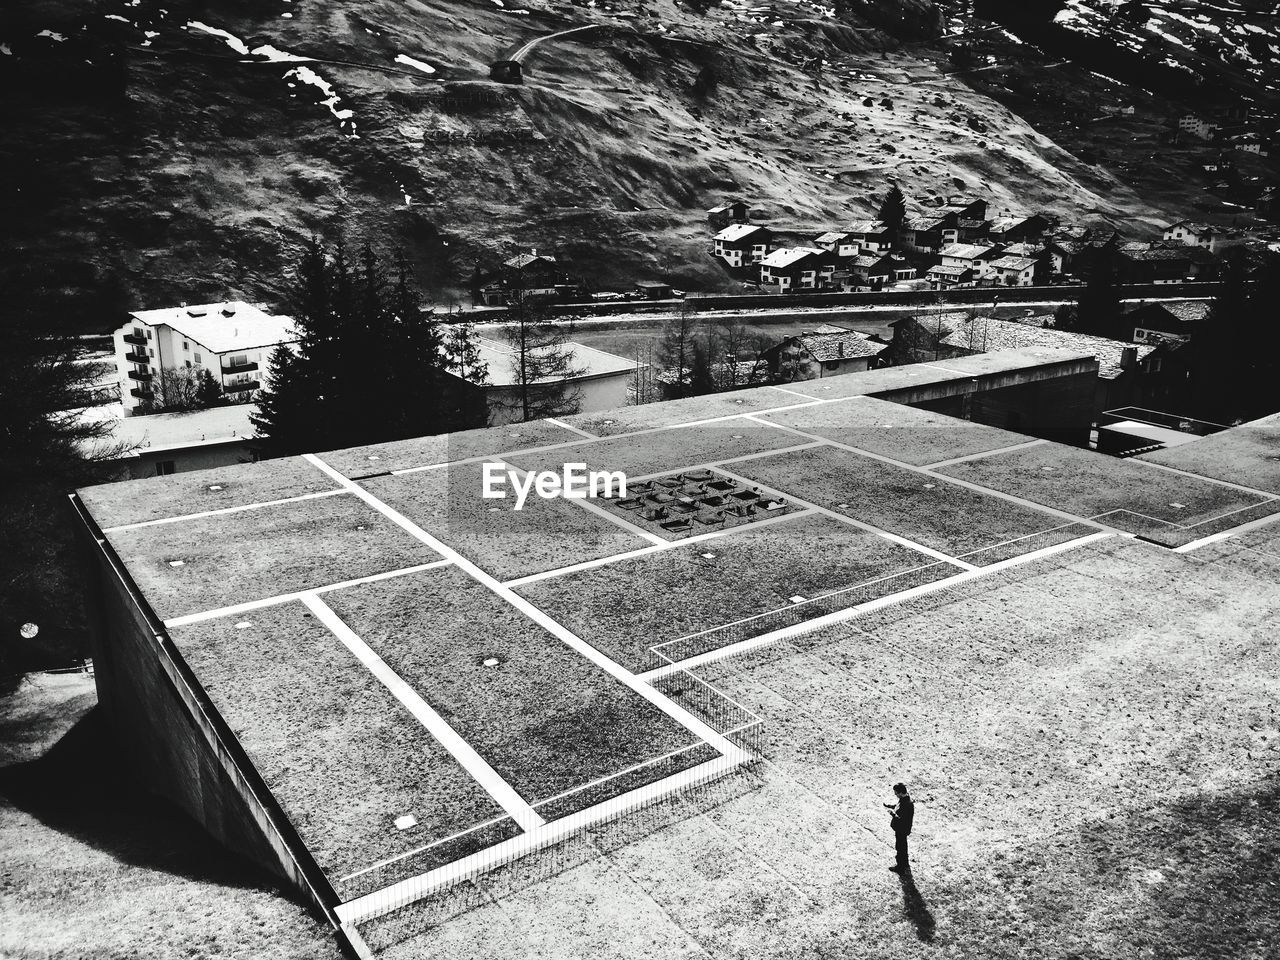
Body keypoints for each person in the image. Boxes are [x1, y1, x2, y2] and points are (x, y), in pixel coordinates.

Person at [884, 782, 914, 872]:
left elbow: (900, 819)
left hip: (902, 829)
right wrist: (890, 806)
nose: (895, 795)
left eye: (896, 793)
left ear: (901, 792)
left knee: (900, 847)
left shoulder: (907, 804)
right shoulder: (904, 799)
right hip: (902, 829)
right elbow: (898, 806)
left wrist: (892, 813)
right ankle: (905, 863)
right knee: (902, 846)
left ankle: (900, 867)